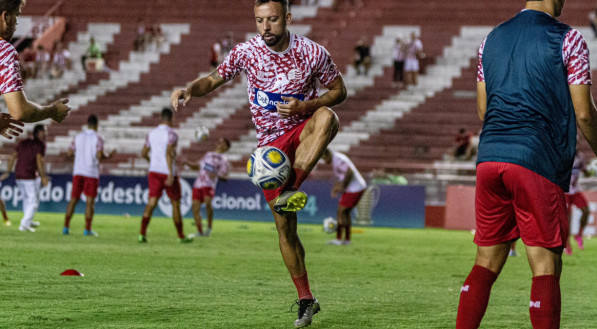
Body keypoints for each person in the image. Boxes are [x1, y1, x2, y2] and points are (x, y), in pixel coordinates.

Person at [171, 1, 346, 326]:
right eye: (260, 20)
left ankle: (291, 187)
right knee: (286, 228)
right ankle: (306, 299)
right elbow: (211, 80)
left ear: (288, 18)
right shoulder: (246, 52)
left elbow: (339, 90)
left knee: (328, 117)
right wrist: (189, 91)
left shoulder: (311, 53)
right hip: (270, 151)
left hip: (303, 130)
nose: (266, 26)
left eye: (273, 19)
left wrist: (308, 104)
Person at [456, 1, 597, 328]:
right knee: (545, 265)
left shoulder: (491, 39)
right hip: (536, 159)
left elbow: (483, 109)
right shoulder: (569, 39)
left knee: (486, 261)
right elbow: (585, 113)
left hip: (490, 158)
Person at [0, 0, 71, 140]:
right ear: (5, 16)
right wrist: (52, 110)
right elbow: (19, 111)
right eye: (16, 16)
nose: (16, 22)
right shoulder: (4, 51)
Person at [138, 108, 192, 244]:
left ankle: (142, 234)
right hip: (167, 172)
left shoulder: (152, 133)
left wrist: (152, 163)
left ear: (161, 118)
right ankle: (181, 236)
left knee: (152, 202)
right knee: (175, 203)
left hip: (154, 172)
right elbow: (169, 153)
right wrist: (169, 173)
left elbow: (144, 153)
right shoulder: (172, 133)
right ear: (171, 119)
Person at [63, 115, 115, 237]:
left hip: (78, 171)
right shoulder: (99, 138)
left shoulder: (78, 137)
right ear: (97, 125)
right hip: (91, 172)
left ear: (87, 124)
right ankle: (87, 229)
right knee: (90, 202)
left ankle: (66, 227)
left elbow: (69, 152)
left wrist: (79, 157)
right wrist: (109, 156)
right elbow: (99, 156)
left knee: (73, 199)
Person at [0, 125, 48, 232]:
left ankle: (28, 220)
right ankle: (24, 224)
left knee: (27, 199)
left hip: (18, 175)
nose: (46, 134)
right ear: (38, 132)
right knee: (33, 201)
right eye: (44, 132)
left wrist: (8, 171)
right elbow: (39, 160)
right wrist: (43, 176)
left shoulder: (23, 142)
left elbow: (13, 156)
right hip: (29, 175)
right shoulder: (40, 145)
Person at [183, 137, 230, 238]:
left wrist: (216, 173)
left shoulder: (224, 159)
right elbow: (198, 166)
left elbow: (225, 176)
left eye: (222, 142)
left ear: (226, 147)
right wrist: (188, 163)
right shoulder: (208, 154)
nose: (219, 142)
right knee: (195, 207)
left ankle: (209, 228)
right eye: (219, 141)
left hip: (209, 185)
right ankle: (200, 231)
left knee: (208, 204)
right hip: (198, 184)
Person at [321, 149, 366, 246]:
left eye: (324, 159)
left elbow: (350, 172)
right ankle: (347, 240)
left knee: (341, 211)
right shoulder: (335, 160)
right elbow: (340, 176)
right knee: (345, 213)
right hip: (353, 188)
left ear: (328, 154)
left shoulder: (338, 159)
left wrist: (342, 187)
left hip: (355, 188)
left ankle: (339, 238)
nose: (325, 162)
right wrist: (336, 188)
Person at [564, 150, 590, 255]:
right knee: (567, 219)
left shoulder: (580, 157)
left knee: (586, 211)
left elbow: (586, 173)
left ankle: (579, 235)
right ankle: (567, 245)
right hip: (565, 192)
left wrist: (589, 170)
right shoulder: (562, 155)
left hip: (575, 191)